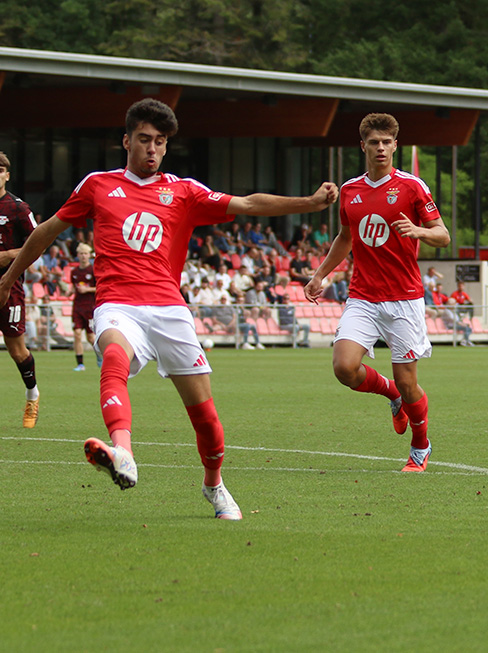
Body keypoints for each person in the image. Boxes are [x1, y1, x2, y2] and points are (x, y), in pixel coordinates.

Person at [0, 98, 338, 519]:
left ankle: (214, 485)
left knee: (207, 421)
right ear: (126, 141)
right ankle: (123, 452)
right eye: (144, 140)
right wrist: (10, 276)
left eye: (160, 142)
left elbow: (248, 204)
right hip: (117, 304)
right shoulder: (97, 185)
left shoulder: (184, 191)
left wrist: (309, 202)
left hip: (170, 310)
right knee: (114, 358)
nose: (152, 149)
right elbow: (48, 230)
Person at [304, 112, 450, 472]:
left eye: (387, 142)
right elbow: (345, 237)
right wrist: (320, 274)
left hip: (404, 298)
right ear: (363, 146)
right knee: (344, 367)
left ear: (396, 146)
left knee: (409, 381)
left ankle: (420, 446)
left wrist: (420, 232)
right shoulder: (351, 190)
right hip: (363, 296)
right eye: (374, 142)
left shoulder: (413, 187)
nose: (380, 148)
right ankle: (391, 394)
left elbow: (443, 235)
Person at [0, 151, 41, 427]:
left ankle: (32, 395)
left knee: (17, 351)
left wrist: (8, 255)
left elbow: (37, 243)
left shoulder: (17, 208)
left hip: (9, 286)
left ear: (7, 174)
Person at [70, 243, 99, 371]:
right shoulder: (74, 272)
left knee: (91, 337)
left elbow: (100, 288)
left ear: (89, 255)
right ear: (78, 255)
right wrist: (70, 291)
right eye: (81, 254)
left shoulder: (93, 270)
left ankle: (100, 355)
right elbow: (74, 286)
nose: (83, 256)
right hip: (77, 306)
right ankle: (80, 364)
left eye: (85, 254)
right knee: (76, 334)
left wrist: (87, 290)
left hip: (90, 306)